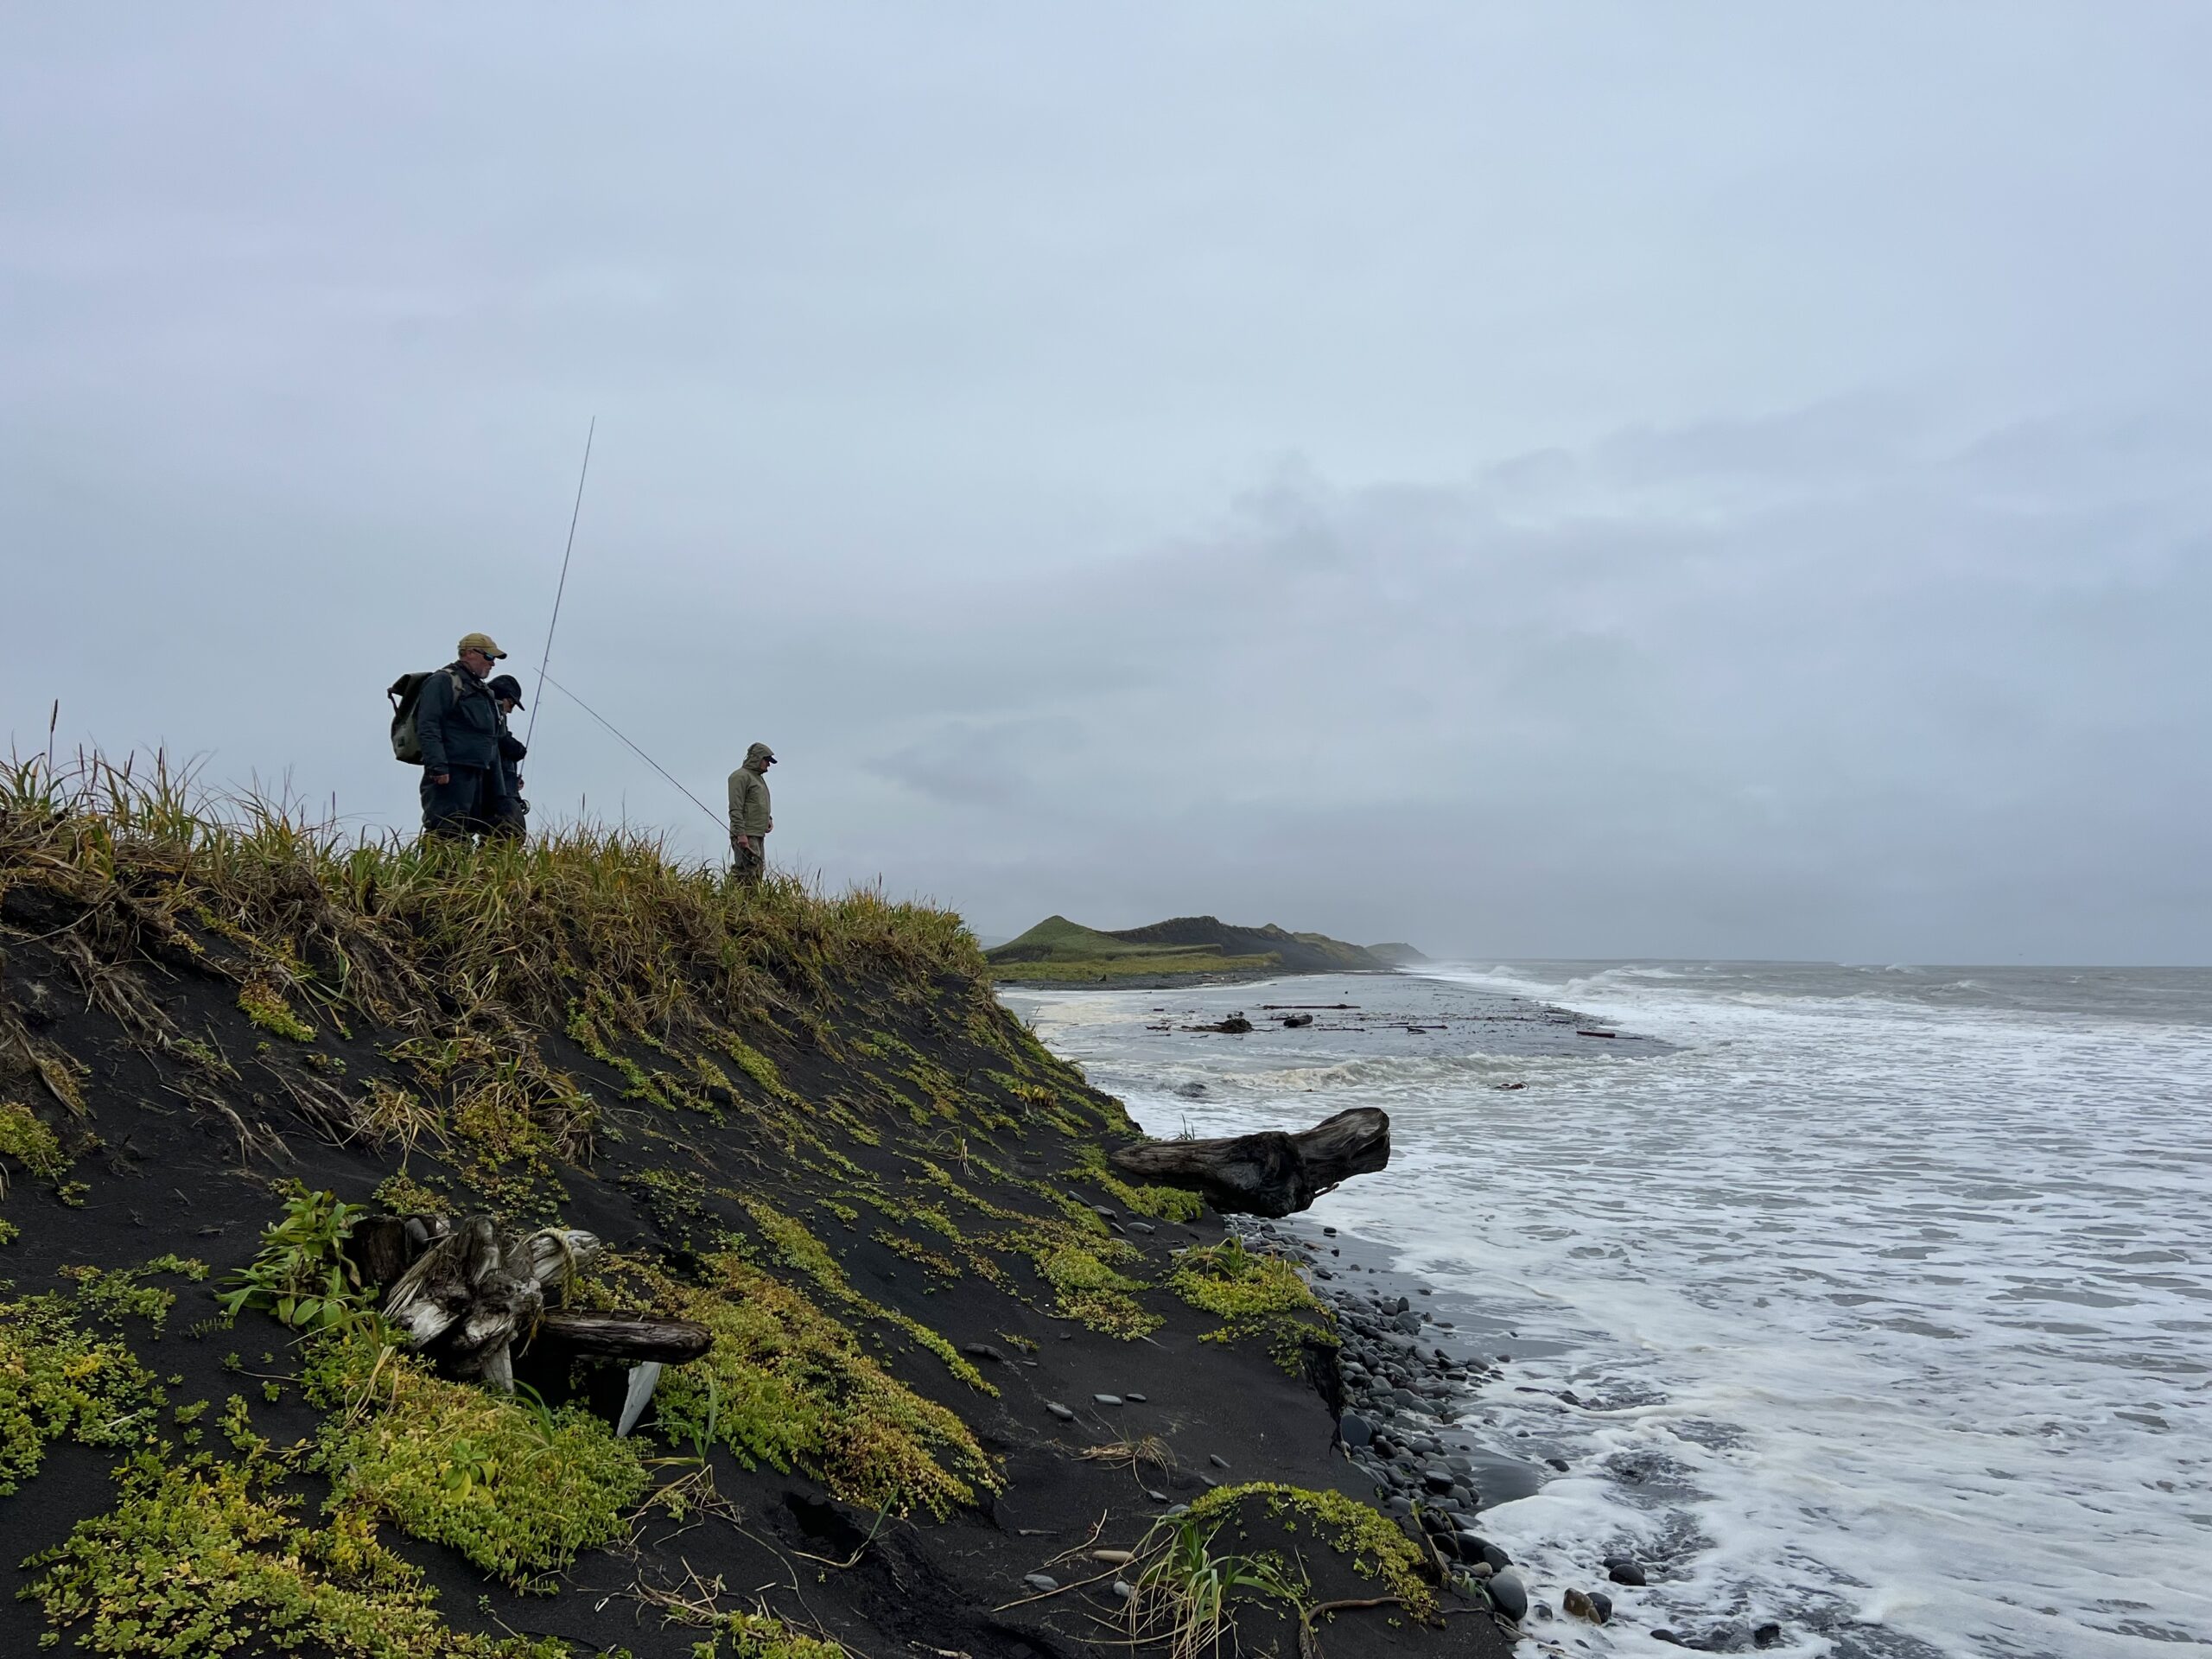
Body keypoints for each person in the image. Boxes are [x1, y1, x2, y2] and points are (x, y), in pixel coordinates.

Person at [416, 632, 512, 841]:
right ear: (469, 653)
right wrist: (438, 767)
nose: (493, 664)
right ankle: (439, 874)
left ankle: (476, 873)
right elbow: (428, 725)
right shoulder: (443, 680)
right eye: (489, 657)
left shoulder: (481, 689)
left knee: (500, 829)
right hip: (452, 773)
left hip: (481, 773)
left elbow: (493, 736)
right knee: (447, 831)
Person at [486, 673, 530, 842]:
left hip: (503, 785)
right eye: (511, 703)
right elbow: (501, 739)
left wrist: (511, 779)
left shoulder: (495, 716)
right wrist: (517, 750)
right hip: (498, 792)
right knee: (511, 833)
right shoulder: (491, 714)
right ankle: (489, 867)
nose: (510, 710)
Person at [727, 741, 776, 883]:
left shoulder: (758, 779)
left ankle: (752, 903)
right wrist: (741, 834)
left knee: (757, 873)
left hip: (758, 833)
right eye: (766, 760)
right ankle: (739, 903)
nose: (768, 764)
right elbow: (736, 807)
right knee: (746, 872)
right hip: (746, 834)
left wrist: (768, 819)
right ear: (757, 758)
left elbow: (758, 803)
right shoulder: (740, 777)